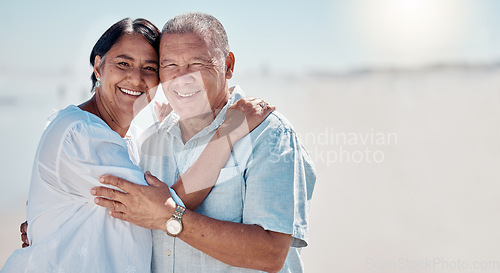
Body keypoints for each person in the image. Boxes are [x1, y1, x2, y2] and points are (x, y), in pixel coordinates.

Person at [3, 17, 274, 273]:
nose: (136, 78)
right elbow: (158, 206)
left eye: (150, 68)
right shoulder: (79, 132)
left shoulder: (133, 137)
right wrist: (227, 134)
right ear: (98, 66)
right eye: (123, 63)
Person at [91, 12, 316, 273]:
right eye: (169, 65)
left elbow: (270, 254)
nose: (183, 77)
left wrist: (172, 217)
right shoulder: (150, 141)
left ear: (228, 66)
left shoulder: (268, 134)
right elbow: (112, 212)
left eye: (197, 63)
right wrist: (44, 223)